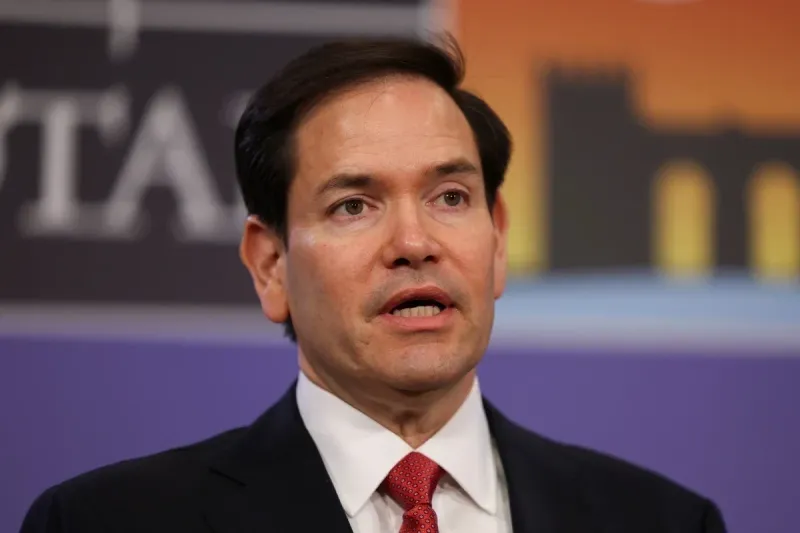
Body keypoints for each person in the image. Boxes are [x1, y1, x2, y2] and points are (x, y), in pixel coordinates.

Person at [20, 36, 726, 533]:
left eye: (450, 196)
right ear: (270, 265)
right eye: (353, 206)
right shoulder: (105, 521)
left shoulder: (662, 521)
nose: (414, 244)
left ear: (498, 239)